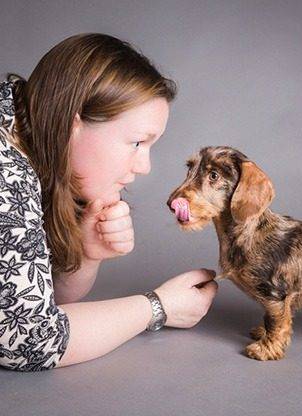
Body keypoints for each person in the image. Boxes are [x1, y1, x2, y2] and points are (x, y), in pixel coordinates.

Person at [0, 33, 218, 372]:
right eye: (136, 143)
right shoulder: (7, 171)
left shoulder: (23, 125)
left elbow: (32, 305)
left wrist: (87, 255)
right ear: (74, 123)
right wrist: (158, 307)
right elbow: (29, 339)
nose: (144, 166)